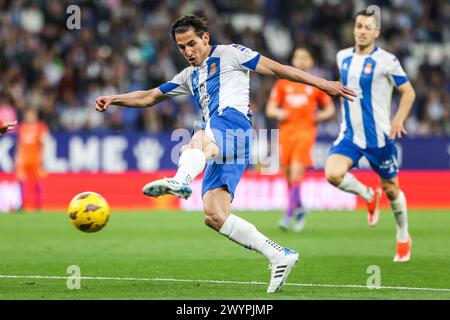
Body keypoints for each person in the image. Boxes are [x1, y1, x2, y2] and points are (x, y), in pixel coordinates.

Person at [95, 15, 355, 293]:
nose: (188, 52)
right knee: (214, 214)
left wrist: (321, 83)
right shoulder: (188, 76)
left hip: (233, 123)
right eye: (182, 47)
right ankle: (279, 255)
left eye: (192, 43)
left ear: (205, 38)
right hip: (226, 143)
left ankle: (180, 179)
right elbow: (149, 96)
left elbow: (277, 69)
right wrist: (114, 99)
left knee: (197, 139)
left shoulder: (232, 54)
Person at [325, 10, 416, 262]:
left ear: (377, 32)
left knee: (392, 190)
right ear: (353, 29)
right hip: (350, 135)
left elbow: (408, 92)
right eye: (359, 26)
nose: (362, 31)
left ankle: (403, 235)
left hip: (378, 138)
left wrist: (398, 119)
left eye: (368, 27)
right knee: (332, 173)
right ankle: (368, 194)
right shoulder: (342, 56)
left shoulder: (388, 60)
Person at [266, 46, 335, 232]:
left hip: (305, 133)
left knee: (296, 171)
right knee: (288, 175)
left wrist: (318, 117)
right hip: (286, 134)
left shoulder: (315, 84)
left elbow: (330, 110)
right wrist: (280, 112)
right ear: (293, 60)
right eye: (298, 57)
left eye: (305, 57)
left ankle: (288, 217)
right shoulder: (283, 84)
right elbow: (270, 109)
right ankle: (301, 208)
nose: (301, 61)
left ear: (311, 61)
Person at [15, 108, 50, 211]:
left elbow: (46, 142)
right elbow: (19, 144)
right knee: (21, 180)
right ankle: (22, 204)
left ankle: (38, 205)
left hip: (36, 159)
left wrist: (44, 158)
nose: (29, 117)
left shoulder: (40, 127)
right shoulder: (22, 127)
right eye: (28, 115)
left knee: (37, 181)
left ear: (35, 116)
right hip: (24, 159)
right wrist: (17, 158)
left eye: (31, 115)